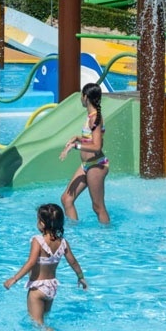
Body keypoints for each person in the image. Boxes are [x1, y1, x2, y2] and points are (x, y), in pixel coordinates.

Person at [3, 203, 87, 327]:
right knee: (45, 319)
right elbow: (73, 262)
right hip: (51, 288)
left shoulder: (38, 240)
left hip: (38, 289)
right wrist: (80, 277)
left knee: (38, 324)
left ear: (42, 223)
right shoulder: (63, 243)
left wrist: (14, 279)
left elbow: (31, 262)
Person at [59, 82, 110, 224]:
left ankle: (107, 237)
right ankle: (74, 233)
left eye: (81, 96)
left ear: (85, 97)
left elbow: (97, 146)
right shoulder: (90, 116)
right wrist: (78, 138)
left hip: (96, 166)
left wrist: (76, 145)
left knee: (98, 207)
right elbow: (91, 139)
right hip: (86, 164)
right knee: (66, 199)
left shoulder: (94, 118)